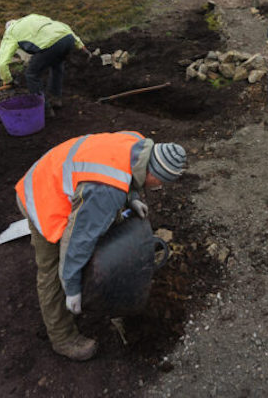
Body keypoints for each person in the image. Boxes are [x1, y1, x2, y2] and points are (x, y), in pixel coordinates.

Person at [14, 131, 187, 360]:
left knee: (98, 223)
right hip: (43, 197)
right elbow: (78, 240)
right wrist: (72, 288)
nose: (160, 187)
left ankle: (75, 282)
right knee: (52, 272)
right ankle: (63, 338)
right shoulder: (105, 189)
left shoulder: (138, 143)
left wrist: (133, 196)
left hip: (63, 177)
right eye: (160, 182)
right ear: (152, 172)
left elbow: (126, 171)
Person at [0, 14, 90, 114]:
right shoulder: (33, 18)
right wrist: (81, 45)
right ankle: (55, 98)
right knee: (56, 65)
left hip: (51, 44)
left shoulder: (10, 33)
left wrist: (8, 80)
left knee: (31, 74)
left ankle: (44, 109)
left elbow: (2, 63)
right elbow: (61, 26)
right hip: (67, 38)